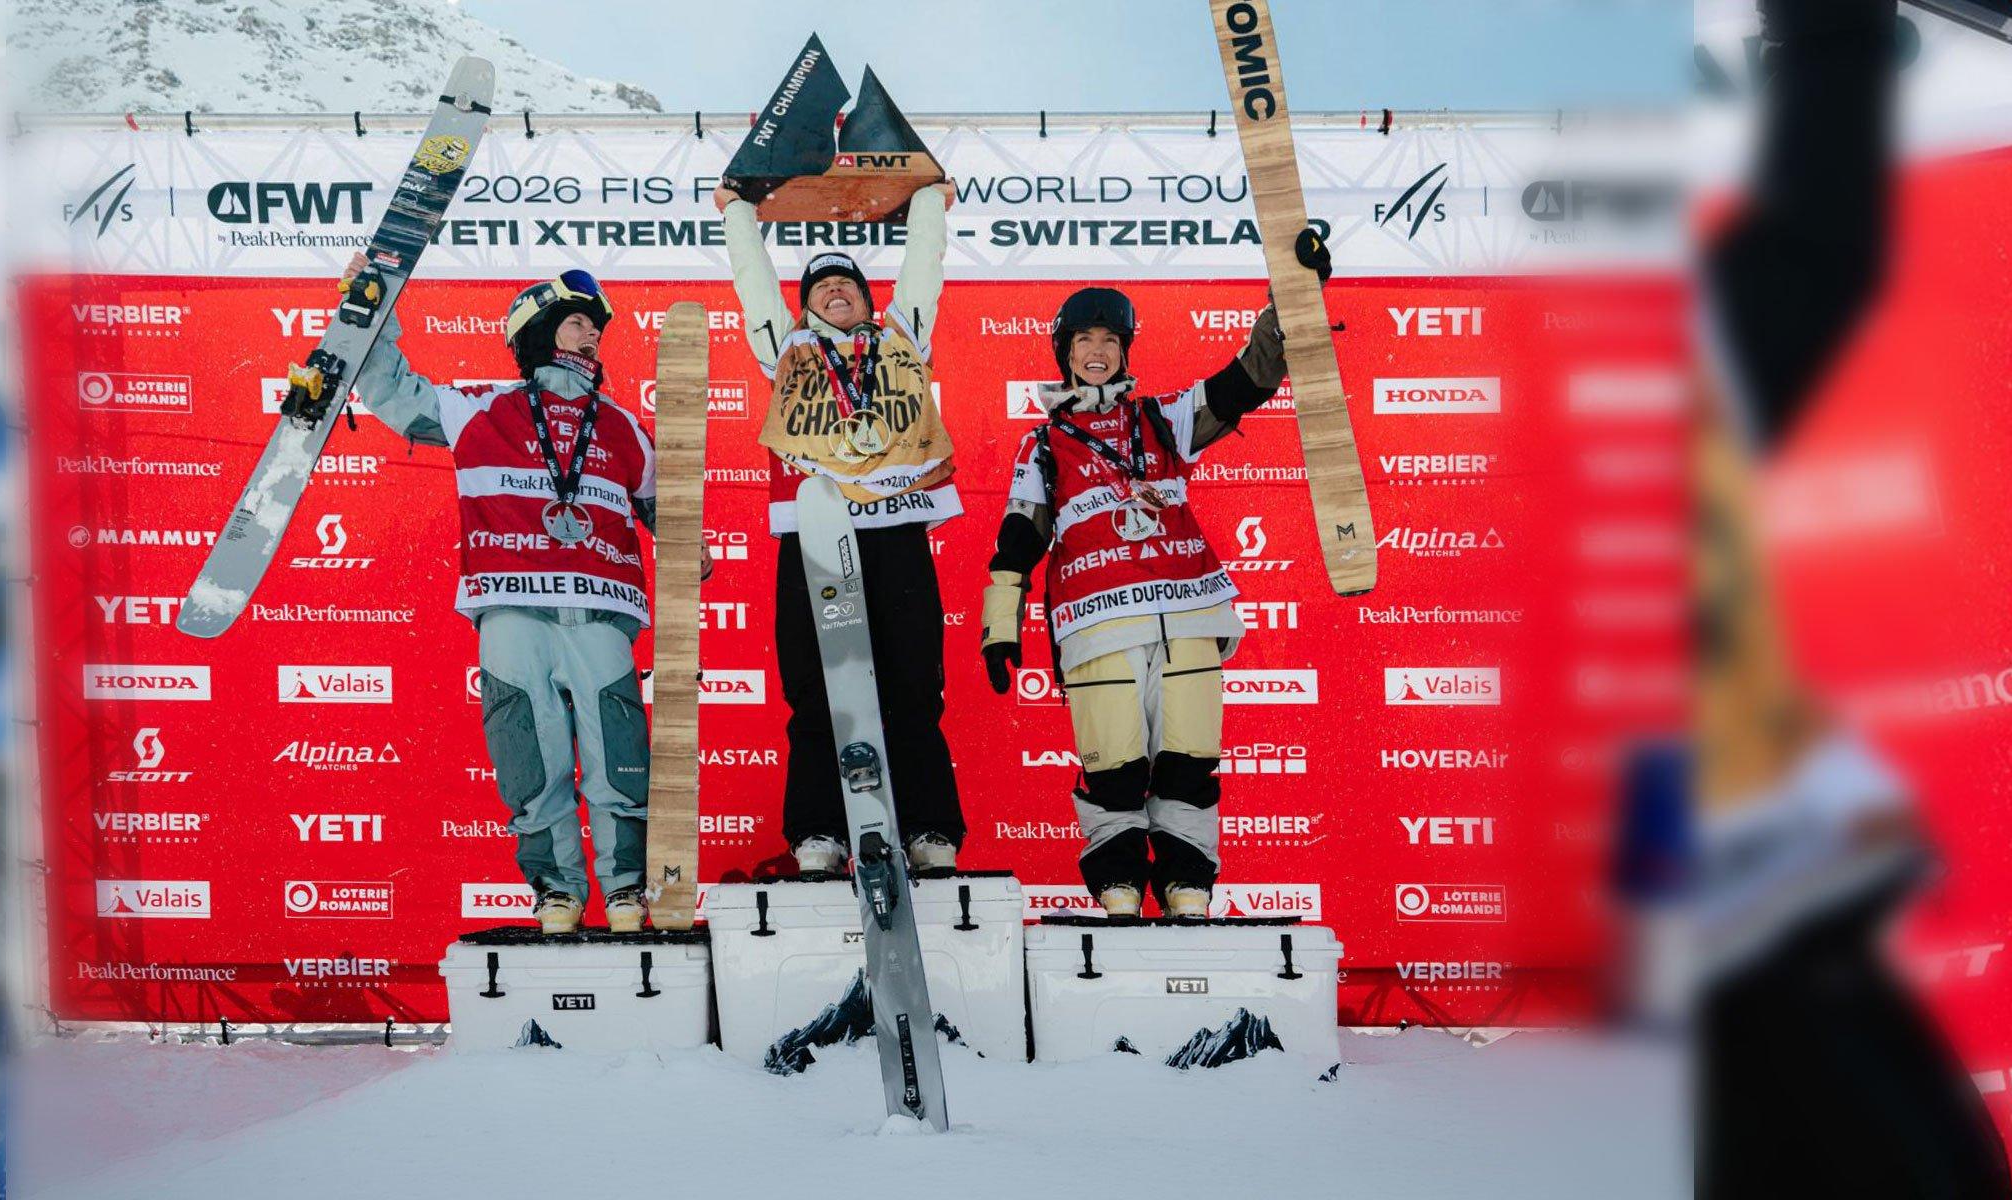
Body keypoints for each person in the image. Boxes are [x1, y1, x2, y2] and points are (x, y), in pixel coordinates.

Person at [979, 233, 1330, 918]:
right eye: (1084, 339)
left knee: (1188, 761)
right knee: (1113, 765)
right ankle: (1118, 895)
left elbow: (1248, 381)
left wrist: (1293, 299)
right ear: (1064, 352)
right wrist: (1000, 625)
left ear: (1125, 351)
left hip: (1187, 612)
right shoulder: (1044, 442)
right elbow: (1020, 535)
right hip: (1096, 623)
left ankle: (1187, 892)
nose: (1097, 351)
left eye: (1110, 340)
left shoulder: (1163, 418)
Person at [343, 261, 658, 934]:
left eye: (596, 329)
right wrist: (373, 306)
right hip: (512, 605)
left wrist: (696, 545)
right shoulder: (479, 407)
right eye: (578, 323)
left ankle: (626, 888)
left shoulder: (625, 426)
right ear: (539, 332)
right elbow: (388, 389)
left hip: (603, 606)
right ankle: (556, 891)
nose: (593, 337)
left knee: (619, 755)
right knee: (529, 757)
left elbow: (670, 508)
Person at [715, 180, 968, 875]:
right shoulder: (788, 349)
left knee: (913, 686)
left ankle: (929, 830)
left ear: (867, 298)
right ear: (805, 305)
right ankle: (819, 833)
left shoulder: (902, 339)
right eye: (821, 286)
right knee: (815, 692)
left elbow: (923, 269)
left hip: (895, 531)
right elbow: (754, 287)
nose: (835, 291)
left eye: (847, 284)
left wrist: (928, 202)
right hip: (816, 538)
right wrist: (737, 211)